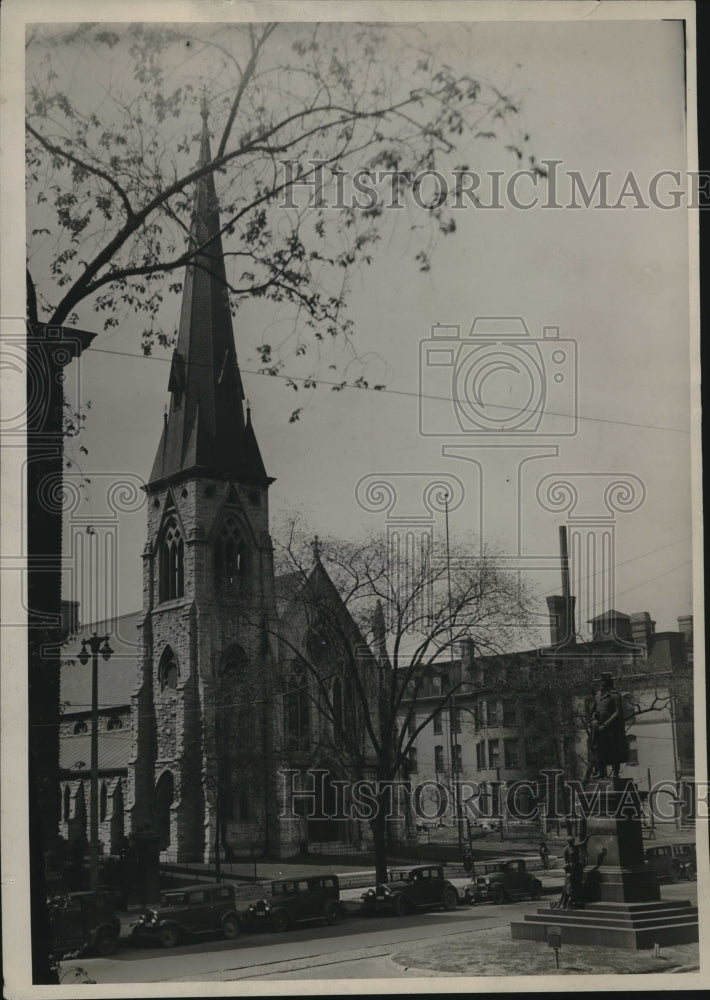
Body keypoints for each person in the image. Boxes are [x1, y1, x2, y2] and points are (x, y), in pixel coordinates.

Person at [589, 673, 629, 779]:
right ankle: (601, 772)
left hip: (611, 729)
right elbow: (592, 712)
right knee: (598, 750)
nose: (601, 685)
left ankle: (615, 773)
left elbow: (617, 712)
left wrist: (605, 725)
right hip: (598, 729)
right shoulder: (597, 696)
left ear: (608, 684)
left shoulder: (615, 695)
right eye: (600, 683)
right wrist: (595, 723)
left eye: (604, 683)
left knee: (613, 749)